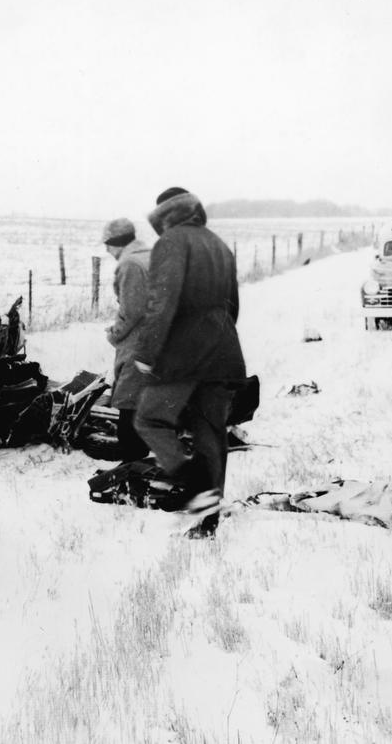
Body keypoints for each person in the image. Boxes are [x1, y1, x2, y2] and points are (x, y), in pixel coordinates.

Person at [133, 187, 245, 538]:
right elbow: (234, 306)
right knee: (211, 433)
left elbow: (161, 303)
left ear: (164, 215)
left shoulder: (171, 242)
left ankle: (196, 487)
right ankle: (209, 519)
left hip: (184, 352)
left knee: (149, 418)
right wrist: (218, 338)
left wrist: (147, 353)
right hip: (223, 349)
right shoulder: (219, 244)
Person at [101, 217, 152, 460]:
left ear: (116, 243)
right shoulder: (149, 255)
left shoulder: (130, 264)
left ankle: (132, 462)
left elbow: (132, 311)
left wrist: (114, 333)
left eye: (107, 245)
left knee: (129, 399)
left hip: (140, 339)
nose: (107, 250)